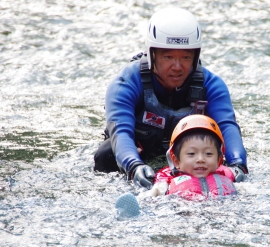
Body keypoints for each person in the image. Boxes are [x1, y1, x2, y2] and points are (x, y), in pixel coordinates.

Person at [94, 7, 248, 189]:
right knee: (105, 155)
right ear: (152, 55)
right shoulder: (125, 83)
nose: (177, 66)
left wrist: (238, 165)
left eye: (185, 57)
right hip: (142, 151)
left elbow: (227, 126)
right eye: (168, 57)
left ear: (195, 57)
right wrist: (133, 166)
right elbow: (121, 131)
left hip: (191, 154)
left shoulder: (212, 85)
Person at [138, 115, 237, 200]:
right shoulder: (166, 180)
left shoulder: (227, 174)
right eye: (191, 153)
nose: (200, 159)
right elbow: (156, 188)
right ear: (176, 161)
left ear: (219, 159)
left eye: (208, 153)